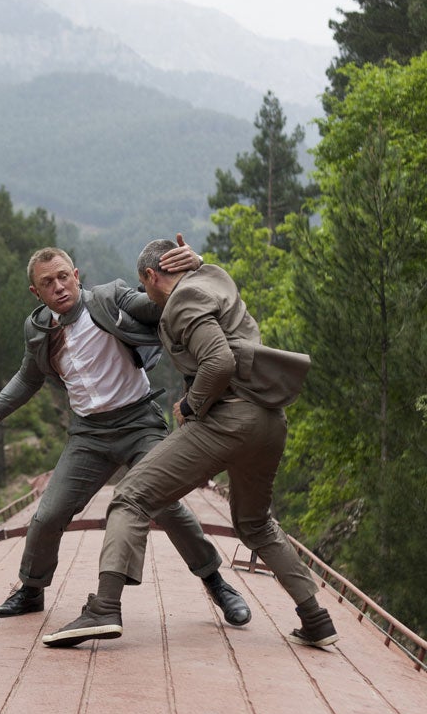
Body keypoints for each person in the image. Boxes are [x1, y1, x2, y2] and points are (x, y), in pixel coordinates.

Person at [41, 239, 337, 649]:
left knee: (130, 498)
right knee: (255, 523)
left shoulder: (179, 302)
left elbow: (219, 362)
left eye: (146, 288)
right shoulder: (216, 279)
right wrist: (199, 261)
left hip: (229, 418)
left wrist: (191, 406)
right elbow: (207, 283)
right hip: (270, 422)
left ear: (150, 276)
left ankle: (105, 607)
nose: (148, 298)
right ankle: (316, 617)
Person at [0, 239, 251, 627]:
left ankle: (217, 582)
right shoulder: (38, 328)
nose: (58, 287)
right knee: (47, 515)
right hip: (88, 435)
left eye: (63, 277)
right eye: (47, 282)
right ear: (35, 292)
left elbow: (162, 303)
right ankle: (31, 589)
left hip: (139, 423)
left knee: (167, 506)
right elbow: (28, 378)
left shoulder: (110, 299)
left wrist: (194, 269)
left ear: (76, 276)